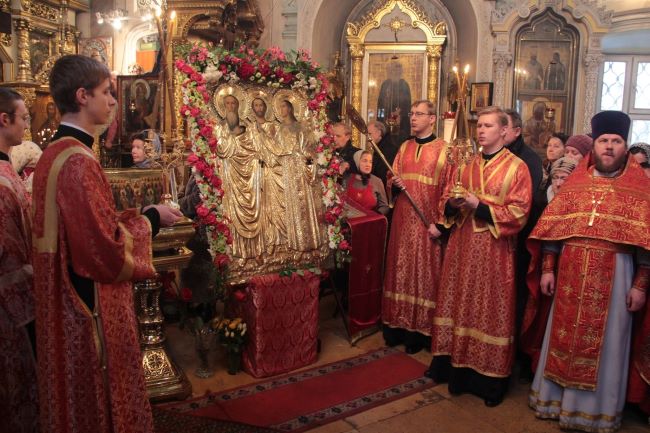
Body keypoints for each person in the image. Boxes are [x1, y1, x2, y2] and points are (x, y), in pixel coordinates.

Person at [31, 54, 181, 433]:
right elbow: (104, 251)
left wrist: (131, 214)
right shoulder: (78, 161)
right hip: (87, 308)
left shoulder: (53, 153)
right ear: (83, 96)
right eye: (107, 92)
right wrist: (151, 219)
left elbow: (80, 228)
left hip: (62, 302)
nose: (114, 101)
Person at [523, 110, 649, 433]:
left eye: (616, 141)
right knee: (561, 338)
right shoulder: (576, 183)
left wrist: (640, 284)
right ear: (595, 144)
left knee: (608, 344)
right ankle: (555, 402)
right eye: (604, 140)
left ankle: (598, 412)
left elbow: (646, 244)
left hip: (616, 273)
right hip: (570, 272)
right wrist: (548, 268)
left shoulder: (640, 188)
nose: (609, 147)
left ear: (624, 146)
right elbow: (554, 230)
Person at [427, 106, 532, 407]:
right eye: (479, 125)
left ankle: (489, 382)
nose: (481, 130)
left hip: (494, 252)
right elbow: (446, 199)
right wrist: (452, 204)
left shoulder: (517, 168)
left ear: (503, 131)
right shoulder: (467, 163)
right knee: (459, 304)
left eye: (488, 126)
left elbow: (519, 212)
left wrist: (478, 204)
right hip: (461, 248)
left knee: (487, 309)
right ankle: (453, 370)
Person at [382, 100, 451, 354]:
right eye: (411, 114)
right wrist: (394, 181)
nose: (412, 118)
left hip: (427, 223)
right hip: (403, 220)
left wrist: (442, 225)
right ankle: (397, 326)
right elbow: (391, 176)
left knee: (424, 274)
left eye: (419, 114)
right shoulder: (405, 146)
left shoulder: (444, 150)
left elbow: (449, 189)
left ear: (432, 119)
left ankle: (420, 332)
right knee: (401, 270)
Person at [0, 88, 38, 433]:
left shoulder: (8, 170)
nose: (28, 124)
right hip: (9, 305)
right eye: (24, 117)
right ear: (4, 119)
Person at [502, 109, 543, 381]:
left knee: (514, 297)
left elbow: (523, 206)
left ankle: (512, 353)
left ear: (516, 131)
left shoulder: (528, 160)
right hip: (495, 237)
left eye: (503, 128)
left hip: (517, 240)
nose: (499, 133)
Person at [343, 150, 389, 215]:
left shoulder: (377, 181)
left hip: (369, 222)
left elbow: (385, 206)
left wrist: (375, 216)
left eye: (370, 162)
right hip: (349, 222)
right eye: (365, 161)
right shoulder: (347, 178)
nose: (368, 165)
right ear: (357, 162)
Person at [377, 61, 412, 145]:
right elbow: (380, 105)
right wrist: (380, 120)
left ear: (400, 72)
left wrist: (400, 114)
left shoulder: (404, 85)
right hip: (386, 120)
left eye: (397, 70)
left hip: (402, 122)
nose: (394, 72)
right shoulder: (385, 85)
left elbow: (408, 105)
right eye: (392, 70)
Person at [368, 120, 398, 188]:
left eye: (370, 134)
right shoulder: (380, 147)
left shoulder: (388, 150)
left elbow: (382, 176)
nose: (368, 138)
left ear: (379, 133)